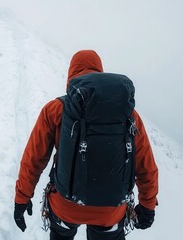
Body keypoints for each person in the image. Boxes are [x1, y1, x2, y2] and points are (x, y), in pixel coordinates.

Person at [14, 50, 159, 240]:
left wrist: (22, 198)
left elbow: (34, 159)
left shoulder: (56, 109)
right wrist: (147, 206)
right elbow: (145, 165)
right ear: (99, 72)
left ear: (71, 74)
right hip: (111, 211)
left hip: (65, 206)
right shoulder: (128, 115)